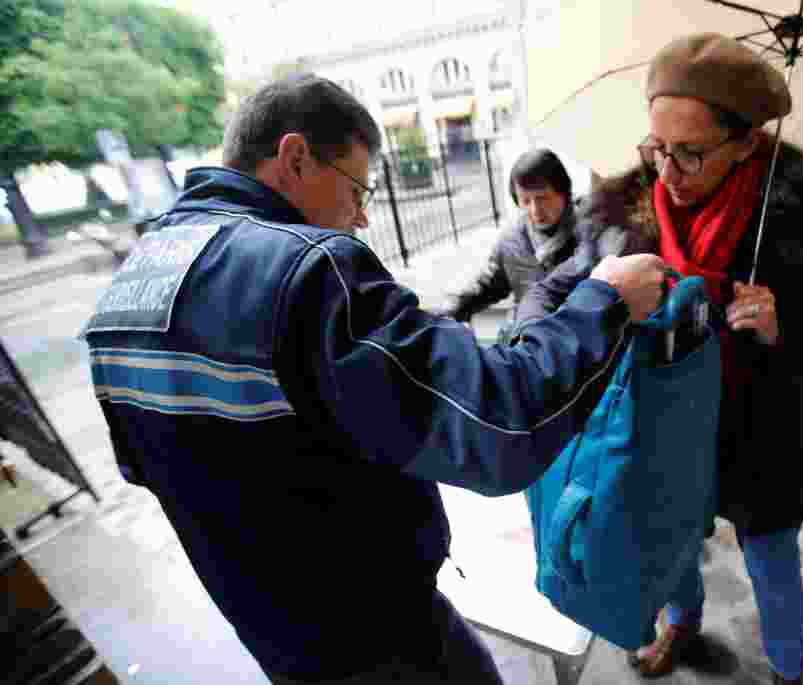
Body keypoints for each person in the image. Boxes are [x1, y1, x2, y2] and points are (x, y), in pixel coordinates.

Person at [78, 73, 667, 684]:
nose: (359, 216)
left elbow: (148, 467)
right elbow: (499, 423)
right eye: (359, 188)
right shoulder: (306, 267)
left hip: (274, 638)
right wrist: (607, 301)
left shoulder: (128, 291)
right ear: (296, 157)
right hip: (385, 636)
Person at [515, 34, 803, 684]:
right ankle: (683, 623)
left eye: (691, 153)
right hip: (663, 428)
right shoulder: (624, 210)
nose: (666, 172)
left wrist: (784, 325)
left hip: (762, 438)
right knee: (672, 550)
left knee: (771, 560)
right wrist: (538, 337)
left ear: (747, 142)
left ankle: (789, 667)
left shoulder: (792, 217)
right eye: (657, 147)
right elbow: (550, 288)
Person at [432, 149, 579, 341]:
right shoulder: (513, 240)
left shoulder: (590, 236)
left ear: (564, 193)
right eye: (525, 201)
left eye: (542, 198)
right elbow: (488, 284)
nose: (535, 209)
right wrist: (451, 308)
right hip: (529, 345)